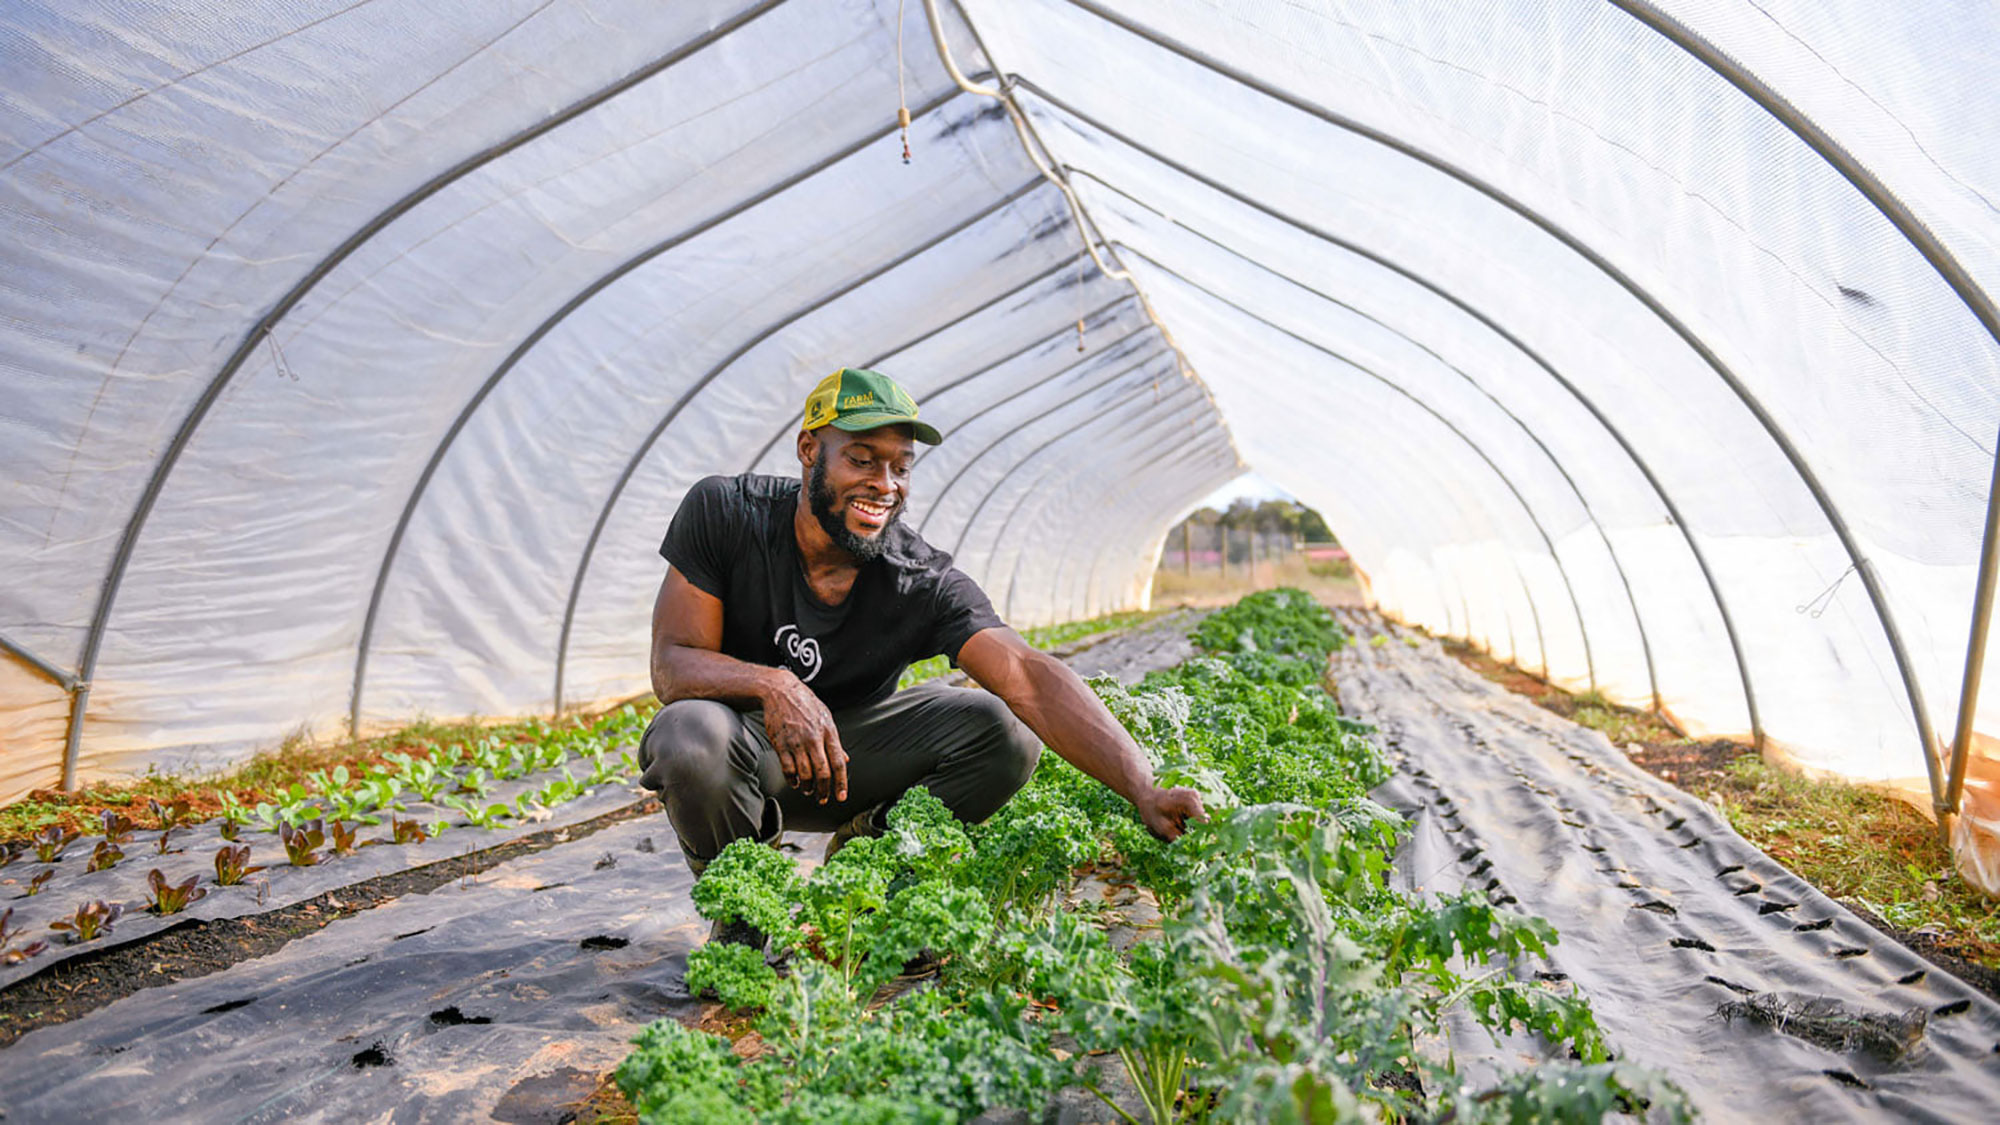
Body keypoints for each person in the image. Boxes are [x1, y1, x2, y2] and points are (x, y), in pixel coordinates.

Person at [638, 367, 1206, 947]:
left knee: (1005, 730)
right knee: (687, 733)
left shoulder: (919, 578)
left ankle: (871, 859)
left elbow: (1028, 677)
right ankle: (745, 907)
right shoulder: (727, 514)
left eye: (900, 466)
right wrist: (776, 685)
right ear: (810, 450)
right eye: (861, 459)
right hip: (747, 755)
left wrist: (1144, 787)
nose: (884, 484)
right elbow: (673, 664)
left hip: (853, 763)